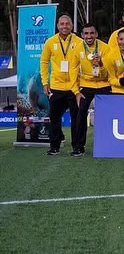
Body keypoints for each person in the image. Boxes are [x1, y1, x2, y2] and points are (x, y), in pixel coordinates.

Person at [40, 14, 82, 155]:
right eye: (62, 24)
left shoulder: (79, 42)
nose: (64, 26)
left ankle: (77, 147)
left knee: (76, 119)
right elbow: (44, 62)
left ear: (71, 26)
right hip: (56, 87)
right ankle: (54, 146)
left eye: (67, 24)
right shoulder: (50, 42)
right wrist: (45, 82)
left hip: (73, 87)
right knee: (54, 118)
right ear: (57, 26)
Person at [74, 23, 111, 156]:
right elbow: (73, 70)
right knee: (81, 114)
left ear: (96, 34)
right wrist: (76, 91)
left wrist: (100, 64)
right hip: (86, 85)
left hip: (104, 84)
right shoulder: (77, 48)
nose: (89, 36)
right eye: (86, 34)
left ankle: (109, 145)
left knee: (108, 116)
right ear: (82, 35)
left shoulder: (105, 48)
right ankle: (78, 147)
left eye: (91, 33)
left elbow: (107, 72)